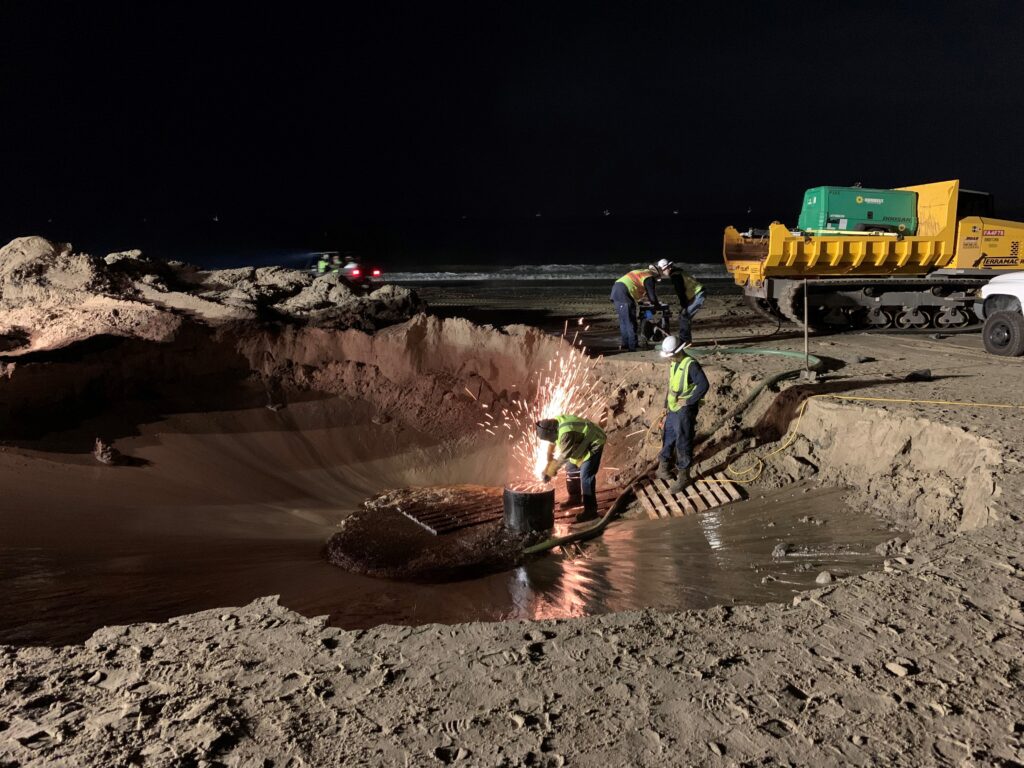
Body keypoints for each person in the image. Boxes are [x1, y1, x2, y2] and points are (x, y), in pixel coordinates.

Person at [655, 335, 710, 493]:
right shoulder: (674, 363)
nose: (668, 358)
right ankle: (663, 468)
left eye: (670, 355)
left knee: (683, 442)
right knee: (668, 436)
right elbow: (672, 385)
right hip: (673, 408)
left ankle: (684, 477)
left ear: (677, 351)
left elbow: (704, 385)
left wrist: (689, 401)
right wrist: (666, 405)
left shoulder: (691, 365)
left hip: (684, 411)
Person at [536, 414, 607, 522]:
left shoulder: (565, 433)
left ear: (551, 432)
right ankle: (575, 497)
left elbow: (564, 456)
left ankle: (591, 511)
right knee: (571, 467)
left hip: (594, 441)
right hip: (582, 442)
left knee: (586, 475)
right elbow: (552, 443)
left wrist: (550, 471)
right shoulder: (555, 423)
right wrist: (548, 461)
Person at [610, 263, 670, 351]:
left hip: (617, 290)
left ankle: (626, 344)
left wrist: (642, 301)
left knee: (624, 321)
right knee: (630, 321)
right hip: (623, 292)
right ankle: (633, 346)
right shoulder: (649, 277)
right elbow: (651, 295)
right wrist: (656, 305)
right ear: (656, 274)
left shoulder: (643, 272)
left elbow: (635, 287)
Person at [656, 258, 705, 346]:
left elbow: (680, 292)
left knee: (684, 316)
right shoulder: (678, 272)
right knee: (684, 316)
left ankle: (684, 341)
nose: (663, 273)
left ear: (668, 268)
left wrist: (684, 306)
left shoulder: (676, 276)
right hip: (696, 293)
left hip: (698, 293)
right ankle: (686, 340)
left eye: (663, 271)